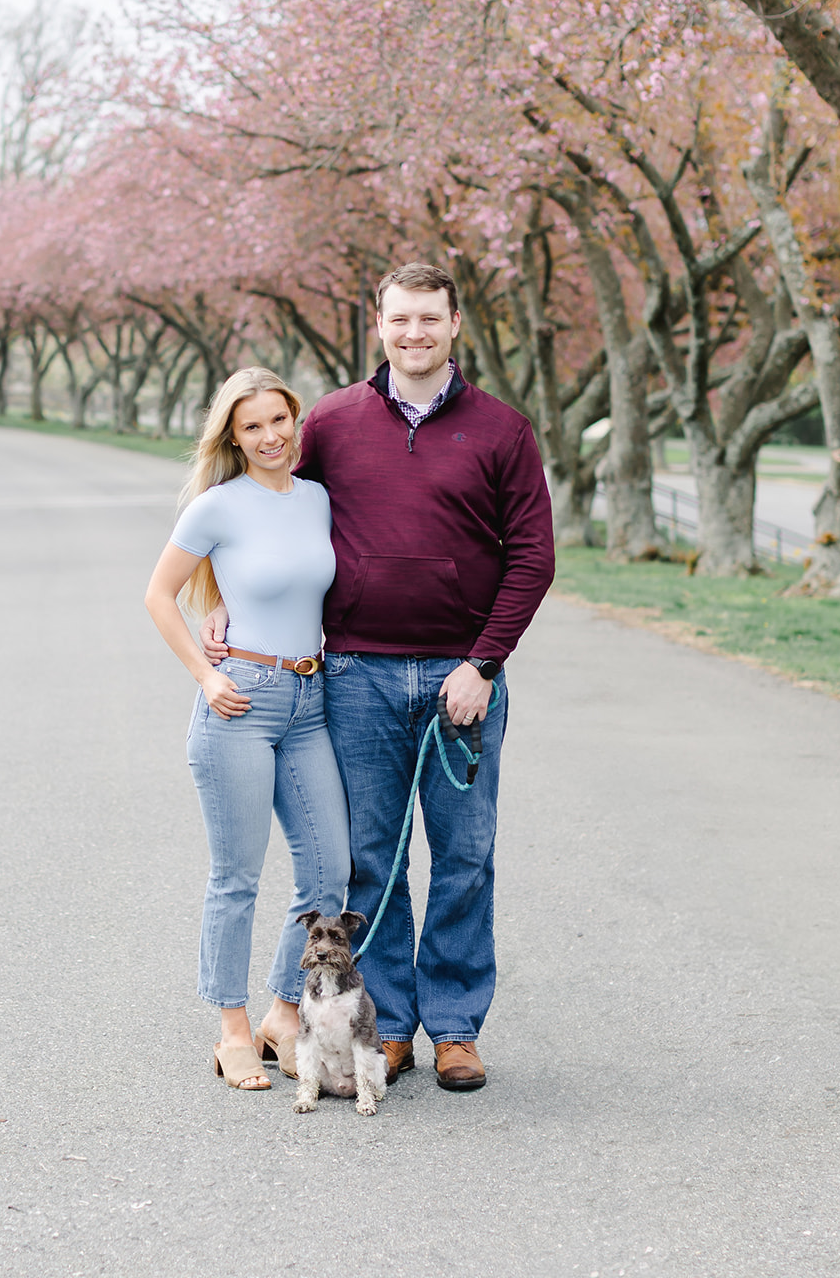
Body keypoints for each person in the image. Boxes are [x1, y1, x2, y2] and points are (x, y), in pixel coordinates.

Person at [204, 264, 555, 1091]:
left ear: (455, 324)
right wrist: (217, 595)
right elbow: (265, 510)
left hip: (459, 682)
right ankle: (387, 1025)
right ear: (379, 324)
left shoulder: (503, 431)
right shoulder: (329, 421)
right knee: (374, 863)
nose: (414, 334)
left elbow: (533, 557)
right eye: (400, 320)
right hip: (355, 675)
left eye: (429, 319)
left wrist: (483, 662)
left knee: (465, 856)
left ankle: (458, 1028)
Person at [145, 366, 350, 1090]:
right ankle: (232, 1028)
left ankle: (282, 1013)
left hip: (310, 697)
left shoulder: (320, 499)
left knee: (329, 870)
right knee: (236, 877)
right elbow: (158, 595)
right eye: (251, 426)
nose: (269, 437)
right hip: (240, 700)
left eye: (278, 420)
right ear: (232, 437)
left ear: (298, 422)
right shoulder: (216, 507)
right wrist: (206, 674)